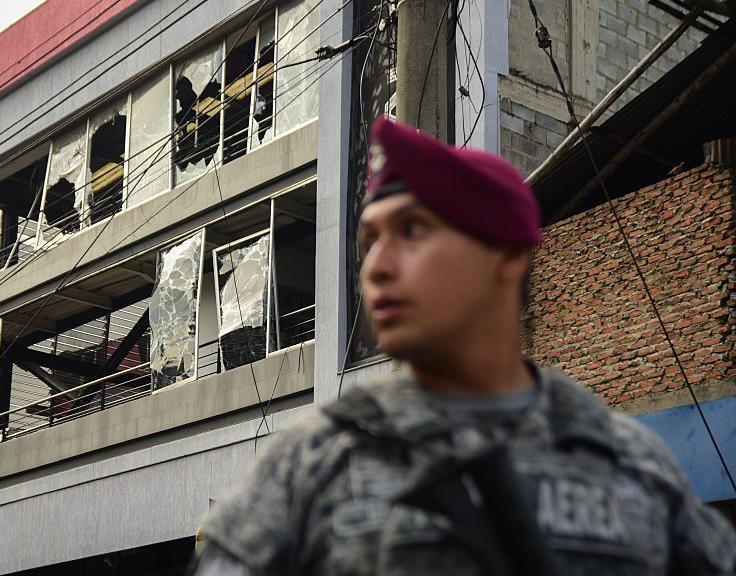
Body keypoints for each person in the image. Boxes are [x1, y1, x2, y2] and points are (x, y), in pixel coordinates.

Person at [192, 116, 736, 575]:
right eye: (370, 240)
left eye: (412, 231)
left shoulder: (632, 468)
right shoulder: (315, 462)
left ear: (504, 255)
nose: (377, 267)